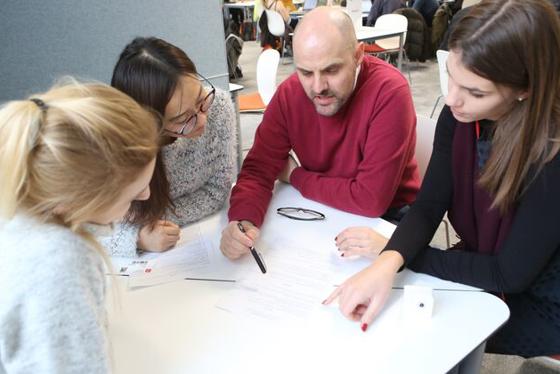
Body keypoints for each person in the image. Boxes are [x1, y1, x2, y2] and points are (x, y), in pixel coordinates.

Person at [327, 0, 560, 358]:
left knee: (419, 336)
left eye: (475, 92)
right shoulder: (461, 115)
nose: (451, 99)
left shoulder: (551, 152)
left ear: (524, 90)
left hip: (544, 302)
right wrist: (389, 261)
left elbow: (508, 275)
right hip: (488, 266)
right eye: (451, 74)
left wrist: (402, 256)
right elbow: (430, 204)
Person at [220, 7, 419, 260]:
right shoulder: (290, 94)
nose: (318, 87)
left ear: (358, 55)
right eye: (305, 72)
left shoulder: (389, 92)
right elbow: (259, 169)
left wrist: (295, 175)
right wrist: (243, 220)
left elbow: (370, 200)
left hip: (387, 218)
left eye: (331, 70)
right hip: (323, 205)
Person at [0, 80, 159, 372]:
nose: (146, 196)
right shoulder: (58, 262)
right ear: (76, 201)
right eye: (133, 195)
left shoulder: (19, 207)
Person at [103, 37, 237, 257]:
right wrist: (136, 238)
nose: (202, 120)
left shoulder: (218, 107)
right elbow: (80, 230)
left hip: (198, 237)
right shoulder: (114, 146)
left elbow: (217, 190)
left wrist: (156, 223)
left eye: (201, 99)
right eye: (183, 119)